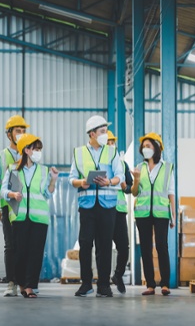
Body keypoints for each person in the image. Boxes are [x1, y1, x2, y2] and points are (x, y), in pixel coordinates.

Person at [68, 116, 124, 298]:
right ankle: (86, 284)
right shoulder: (78, 153)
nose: (105, 134)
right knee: (85, 244)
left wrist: (109, 181)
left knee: (105, 246)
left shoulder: (112, 152)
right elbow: (71, 179)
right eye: (102, 131)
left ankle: (103, 286)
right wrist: (82, 182)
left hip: (108, 206)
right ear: (92, 133)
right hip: (87, 206)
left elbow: (120, 175)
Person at [0, 133, 59, 298]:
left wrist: (53, 180)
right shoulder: (12, 169)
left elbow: (47, 194)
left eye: (40, 149)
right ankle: (21, 283)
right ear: (26, 150)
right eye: (36, 149)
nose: (39, 152)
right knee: (20, 253)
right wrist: (12, 194)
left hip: (39, 218)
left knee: (36, 253)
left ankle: (30, 286)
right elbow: (3, 190)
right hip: (19, 217)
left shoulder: (44, 170)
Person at [131, 132, 176, 296]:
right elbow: (134, 193)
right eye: (143, 147)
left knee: (162, 246)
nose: (145, 149)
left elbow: (171, 192)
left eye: (148, 146)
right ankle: (150, 284)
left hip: (161, 212)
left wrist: (173, 215)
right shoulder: (139, 167)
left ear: (157, 148)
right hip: (142, 213)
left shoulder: (167, 167)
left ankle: (165, 283)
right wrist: (135, 180)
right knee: (145, 248)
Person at [0, 115, 29, 297]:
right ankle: (11, 282)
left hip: (26, 206)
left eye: (23, 131)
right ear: (9, 134)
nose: (21, 134)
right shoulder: (0, 157)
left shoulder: (28, 154)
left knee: (24, 245)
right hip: (8, 206)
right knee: (10, 245)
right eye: (17, 131)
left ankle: (24, 283)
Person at [106, 130, 132, 294]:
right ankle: (104, 281)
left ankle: (118, 274)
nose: (110, 145)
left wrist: (125, 186)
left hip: (119, 211)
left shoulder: (123, 165)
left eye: (112, 142)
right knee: (104, 247)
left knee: (124, 247)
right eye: (108, 142)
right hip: (104, 210)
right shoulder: (97, 164)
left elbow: (129, 188)